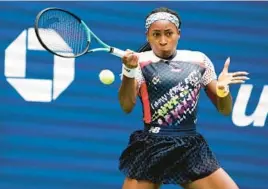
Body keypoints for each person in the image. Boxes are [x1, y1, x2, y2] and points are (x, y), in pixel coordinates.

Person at [118, 7, 249, 189]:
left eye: (168, 33)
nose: (163, 41)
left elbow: (225, 109)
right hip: (152, 146)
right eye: (156, 34)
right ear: (147, 36)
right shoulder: (138, 62)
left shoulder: (199, 60)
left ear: (178, 34)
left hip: (189, 147)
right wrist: (129, 70)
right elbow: (126, 105)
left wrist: (222, 90)